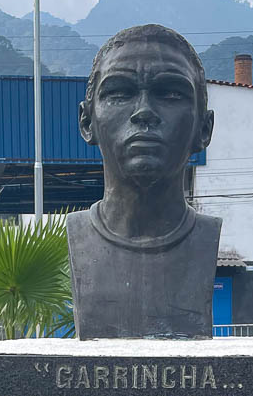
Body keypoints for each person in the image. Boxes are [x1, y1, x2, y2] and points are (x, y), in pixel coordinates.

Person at [68, 24, 221, 339]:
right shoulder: (79, 237)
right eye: (120, 92)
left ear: (203, 129)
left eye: (171, 93)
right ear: (87, 122)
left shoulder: (206, 238)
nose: (144, 112)